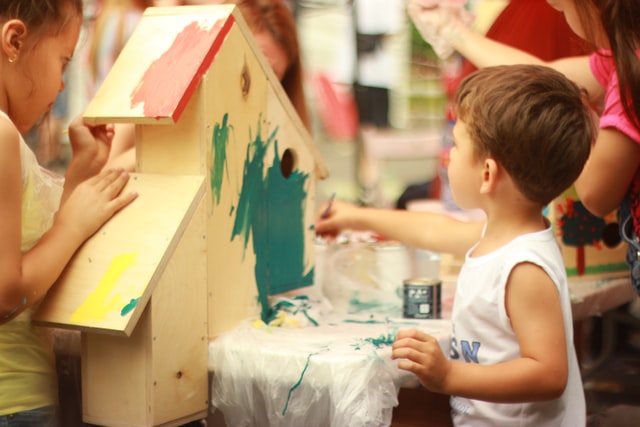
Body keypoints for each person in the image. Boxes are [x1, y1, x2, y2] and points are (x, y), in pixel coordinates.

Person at [316, 64, 594, 425]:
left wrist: (449, 376)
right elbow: (434, 231)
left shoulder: (524, 267)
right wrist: (356, 216)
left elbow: (549, 375)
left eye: (456, 146)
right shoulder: (502, 234)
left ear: (488, 174)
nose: (447, 157)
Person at [408, 0, 640, 294]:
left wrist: (584, 120)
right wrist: (452, 29)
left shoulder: (631, 77)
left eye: (563, 10)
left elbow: (596, 194)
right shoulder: (624, 58)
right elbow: (545, 75)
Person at [0, 1, 138, 425]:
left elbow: (28, 252)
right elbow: (8, 295)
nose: (62, 85)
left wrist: (78, 177)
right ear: (15, 41)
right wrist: (73, 223)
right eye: (63, 60)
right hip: (14, 404)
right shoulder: (0, 135)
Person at [104, 0, 310, 171]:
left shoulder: (278, 135)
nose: (256, 83)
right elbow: (105, 172)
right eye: (249, 67)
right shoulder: (162, 87)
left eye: (272, 75)